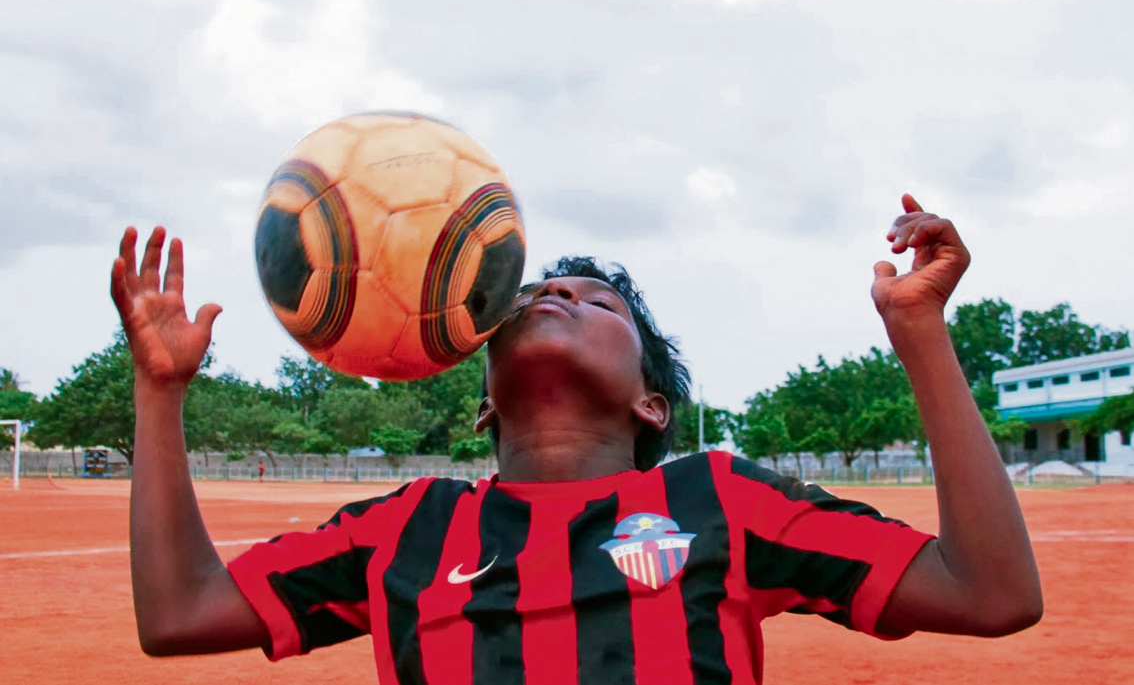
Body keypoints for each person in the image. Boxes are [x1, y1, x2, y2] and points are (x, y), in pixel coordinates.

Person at [111, 195, 1042, 683]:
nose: (553, 294)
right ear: (483, 402)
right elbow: (180, 614)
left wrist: (919, 329)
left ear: (649, 404)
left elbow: (991, 591)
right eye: (533, 295)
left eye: (597, 303)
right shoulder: (404, 527)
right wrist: (159, 392)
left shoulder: (724, 499)